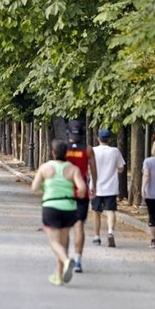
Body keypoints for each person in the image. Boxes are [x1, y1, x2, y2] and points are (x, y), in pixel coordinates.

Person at [31, 139, 86, 286]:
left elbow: (34, 188)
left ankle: (67, 261)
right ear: (66, 153)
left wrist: (45, 188)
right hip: (68, 208)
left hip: (51, 207)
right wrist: (79, 194)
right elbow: (82, 188)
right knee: (64, 242)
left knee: (55, 243)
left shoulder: (45, 168)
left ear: (53, 152)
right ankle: (59, 276)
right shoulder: (73, 169)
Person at [65, 120, 97, 273]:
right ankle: (77, 260)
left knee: (64, 228)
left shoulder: (63, 149)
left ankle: (65, 259)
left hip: (64, 192)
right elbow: (93, 170)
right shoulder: (89, 150)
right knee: (79, 226)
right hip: (81, 191)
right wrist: (94, 186)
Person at [91, 129, 125, 247]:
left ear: (98, 139)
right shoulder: (115, 151)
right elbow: (121, 168)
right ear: (109, 139)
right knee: (110, 211)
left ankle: (96, 236)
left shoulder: (93, 151)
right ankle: (110, 232)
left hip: (95, 187)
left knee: (96, 212)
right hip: (111, 187)